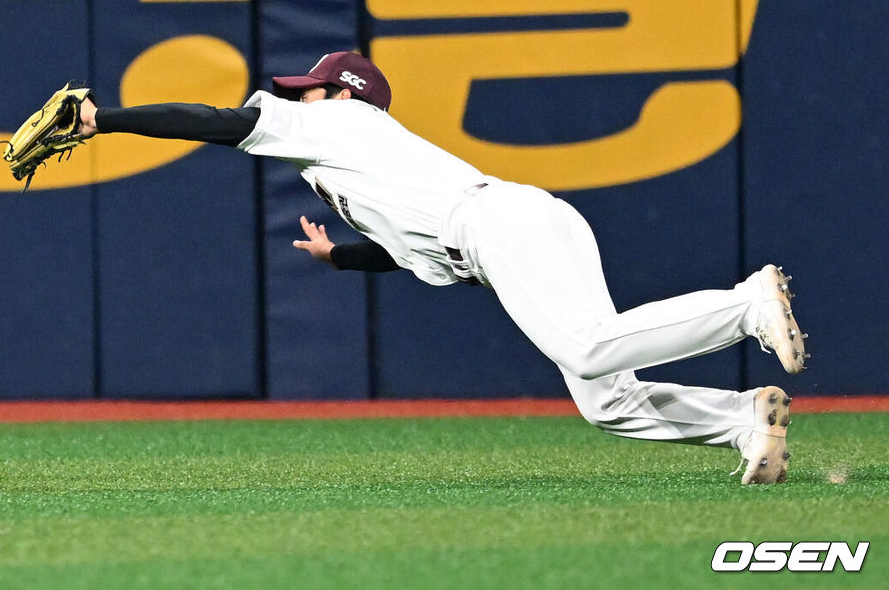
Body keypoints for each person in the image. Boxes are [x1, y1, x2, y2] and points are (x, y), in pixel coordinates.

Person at [75, 51, 808, 484]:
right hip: (517, 225)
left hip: (498, 226)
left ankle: (746, 304)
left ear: (343, 94)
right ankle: (745, 419)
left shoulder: (334, 121)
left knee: (584, 344)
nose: (299, 94)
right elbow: (400, 253)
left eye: (311, 86)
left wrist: (104, 119)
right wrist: (339, 255)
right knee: (605, 399)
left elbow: (217, 121)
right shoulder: (366, 170)